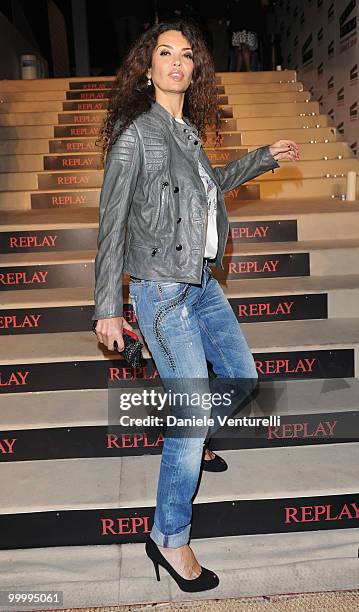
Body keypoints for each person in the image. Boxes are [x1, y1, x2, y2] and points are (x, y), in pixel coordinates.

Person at [92, 19, 299, 593]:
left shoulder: (187, 134)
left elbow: (211, 184)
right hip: (161, 293)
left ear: (195, 70)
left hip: (201, 283)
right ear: (148, 67)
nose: (177, 62)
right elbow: (110, 225)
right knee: (187, 421)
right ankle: (169, 537)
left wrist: (262, 157)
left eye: (186, 55)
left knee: (241, 375)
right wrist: (108, 306)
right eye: (165, 53)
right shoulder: (136, 135)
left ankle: (197, 434)